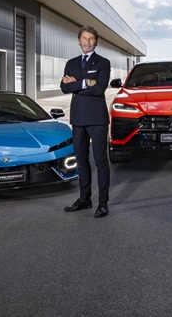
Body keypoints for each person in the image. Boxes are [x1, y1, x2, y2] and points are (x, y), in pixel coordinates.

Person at [60, 26, 112, 218]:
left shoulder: (103, 63)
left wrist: (77, 84)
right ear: (79, 40)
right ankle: (84, 199)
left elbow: (99, 89)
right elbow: (64, 87)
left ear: (96, 42)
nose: (87, 42)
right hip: (78, 118)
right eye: (84, 38)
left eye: (91, 39)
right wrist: (86, 82)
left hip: (97, 119)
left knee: (100, 161)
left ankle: (103, 203)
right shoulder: (71, 63)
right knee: (81, 161)